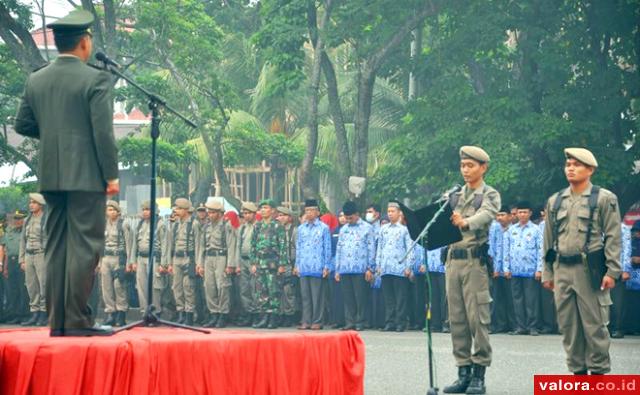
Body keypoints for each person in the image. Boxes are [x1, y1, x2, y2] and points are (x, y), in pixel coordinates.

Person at [14, 10, 120, 336]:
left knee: (56, 245)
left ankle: (57, 321)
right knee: (86, 245)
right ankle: (77, 319)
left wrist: (55, 137)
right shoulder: (96, 79)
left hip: (51, 175)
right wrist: (111, 176)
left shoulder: (37, 78)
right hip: (87, 175)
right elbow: (103, 133)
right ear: (85, 43)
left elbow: (23, 125)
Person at [542, 148, 621, 375]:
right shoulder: (555, 200)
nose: (571, 168)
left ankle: (597, 376)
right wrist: (547, 272)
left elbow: (614, 237)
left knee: (594, 326)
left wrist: (612, 271)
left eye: (577, 165)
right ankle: (578, 375)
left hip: (590, 270)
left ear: (590, 169)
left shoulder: (604, 198)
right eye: (568, 164)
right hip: (561, 269)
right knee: (568, 328)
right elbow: (548, 240)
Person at [443, 146, 500, 395]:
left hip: (474, 264)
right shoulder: (453, 195)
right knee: (457, 320)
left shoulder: (489, 194)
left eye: (471, 166)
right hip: (452, 263)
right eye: (463, 165)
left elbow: (487, 215)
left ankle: (479, 375)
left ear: (483, 167)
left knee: (478, 319)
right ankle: (462, 372)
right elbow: (438, 217)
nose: (466, 170)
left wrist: (465, 222)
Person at [502, 201, 543, 336]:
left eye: (525, 212)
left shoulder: (536, 230)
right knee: (517, 299)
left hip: (530, 270)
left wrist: (539, 269)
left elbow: (540, 250)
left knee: (531, 299)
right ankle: (521, 326)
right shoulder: (511, 230)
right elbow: (506, 250)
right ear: (516, 213)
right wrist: (506, 268)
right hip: (515, 270)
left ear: (530, 213)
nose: (522, 214)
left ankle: (533, 326)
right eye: (520, 212)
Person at [335, 201, 375, 331]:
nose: (348, 220)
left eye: (350, 218)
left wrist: (370, 268)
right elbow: (339, 249)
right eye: (346, 218)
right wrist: (338, 269)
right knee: (348, 296)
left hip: (360, 268)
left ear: (357, 214)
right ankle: (350, 321)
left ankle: (360, 321)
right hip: (345, 268)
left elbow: (371, 249)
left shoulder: (367, 228)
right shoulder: (344, 229)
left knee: (360, 297)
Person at [196, 201, 237, 328]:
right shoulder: (206, 226)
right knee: (209, 287)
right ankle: (213, 314)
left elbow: (231, 245)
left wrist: (230, 264)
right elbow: (201, 246)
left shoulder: (226, 225)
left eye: (213, 212)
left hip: (221, 257)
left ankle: (222, 315)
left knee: (222, 287)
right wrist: (199, 264)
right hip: (208, 258)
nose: (210, 215)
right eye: (209, 212)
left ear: (220, 213)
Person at [376, 200, 414, 333]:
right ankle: (389, 322)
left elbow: (409, 248)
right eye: (389, 211)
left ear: (399, 213)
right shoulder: (383, 229)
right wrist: (378, 265)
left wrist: (408, 266)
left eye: (393, 211)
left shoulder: (404, 230)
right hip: (386, 267)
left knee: (400, 297)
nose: (390, 214)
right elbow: (379, 247)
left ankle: (400, 322)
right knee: (389, 298)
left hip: (400, 268)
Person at [295, 199, 332, 330]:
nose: (309, 213)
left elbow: (327, 248)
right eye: (307, 211)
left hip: (317, 266)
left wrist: (327, 266)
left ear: (317, 212)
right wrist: (297, 264)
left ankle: (317, 320)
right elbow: (298, 247)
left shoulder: (324, 228)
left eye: (311, 210)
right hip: (304, 265)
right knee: (305, 296)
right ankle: (306, 320)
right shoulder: (301, 229)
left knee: (317, 296)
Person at [250, 199, 287, 329]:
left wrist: (282, 264)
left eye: (266, 208)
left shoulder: (278, 226)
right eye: (262, 208)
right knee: (261, 291)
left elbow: (283, 246)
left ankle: (273, 318)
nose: (263, 210)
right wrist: (253, 262)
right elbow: (253, 245)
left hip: (273, 262)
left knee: (273, 290)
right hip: (260, 262)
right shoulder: (257, 226)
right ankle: (264, 317)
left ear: (272, 210)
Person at [165, 198, 198, 325]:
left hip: (189, 257)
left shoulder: (194, 224)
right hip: (176, 258)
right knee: (176, 287)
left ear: (186, 210)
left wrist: (197, 262)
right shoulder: (176, 224)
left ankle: (189, 315)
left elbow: (199, 244)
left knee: (188, 287)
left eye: (179, 208)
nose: (176, 211)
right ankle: (181, 313)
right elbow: (171, 245)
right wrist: (170, 262)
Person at [130, 201, 165, 318]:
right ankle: (144, 312)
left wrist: (163, 263)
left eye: (148, 209)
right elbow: (134, 244)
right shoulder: (139, 224)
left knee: (155, 287)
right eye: (143, 209)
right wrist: (133, 261)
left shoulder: (160, 224)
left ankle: (155, 312)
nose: (145, 212)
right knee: (141, 286)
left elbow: (165, 245)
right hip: (141, 258)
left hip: (154, 258)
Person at [19, 193, 48, 326]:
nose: (31, 204)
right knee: (31, 286)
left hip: (42, 254)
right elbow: (22, 241)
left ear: (40, 205)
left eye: (34, 202)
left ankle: (43, 313)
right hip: (29, 255)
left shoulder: (46, 219)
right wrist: (22, 259)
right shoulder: (27, 220)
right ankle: (34, 313)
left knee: (43, 285)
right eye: (30, 202)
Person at [100, 200, 130, 327]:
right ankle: (110, 313)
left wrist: (129, 262)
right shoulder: (103, 225)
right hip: (106, 257)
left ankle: (121, 313)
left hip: (119, 258)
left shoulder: (123, 224)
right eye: (108, 209)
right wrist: (98, 261)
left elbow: (129, 244)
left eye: (113, 210)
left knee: (119, 286)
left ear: (118, 212)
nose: (110, 212)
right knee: (106, 287)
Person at [488, 207, 515, 334]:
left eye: (502, 214)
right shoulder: (493, 228)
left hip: (509, 269)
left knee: (510, 298)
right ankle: (497, 324)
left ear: (510, 216)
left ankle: (512, 324)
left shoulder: (513, 229)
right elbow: (492, 249)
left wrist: (503, 268)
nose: (499, 217)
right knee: (495, 298)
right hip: (495, 269)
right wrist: (494, 268)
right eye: (497, 215)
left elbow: (503, 250)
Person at [0, 211, 30, 325]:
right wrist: (5, 267)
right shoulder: (9, 232)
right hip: (11, 262)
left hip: (22, 261)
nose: (17, 221)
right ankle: (15, 314)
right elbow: (7, 251)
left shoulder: (27, 232)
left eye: (20, 219)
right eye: (16, 219)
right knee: (13, 290)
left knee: (23, 289)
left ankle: (25, 315)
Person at [236, 202, 258, 326]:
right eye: (244, 213)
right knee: (244, 289)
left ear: (254, 214)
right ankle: (248, 313)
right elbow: (238, 246)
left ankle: (256, 314)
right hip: (243, 260)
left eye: (248, 213)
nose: (246, 215)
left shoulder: (258, 226)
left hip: (253, 261)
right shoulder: (242, 228)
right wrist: (238, 264)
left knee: (254, 288)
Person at [276, 206, 299, 327]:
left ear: (289, 218)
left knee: (288, 291)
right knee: (279, 291)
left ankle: (290, 315)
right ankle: (282, 314)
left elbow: (298, 248)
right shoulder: (276, 230)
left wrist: (296, 265)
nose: (280, 218)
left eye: (282, 215)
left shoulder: (294, 231)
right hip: (278, 264)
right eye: (278, 215)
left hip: (290, 263)